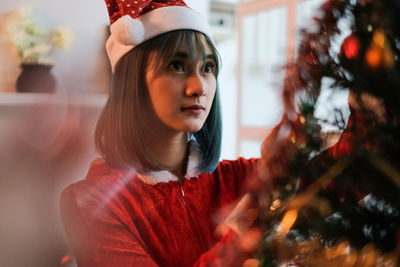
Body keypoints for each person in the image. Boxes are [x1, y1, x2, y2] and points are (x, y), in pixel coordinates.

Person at [60, 1, 266, 266]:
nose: (199, 87)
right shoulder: (92, 204)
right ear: (132, 80)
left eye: (208, 67)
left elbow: (326, 172)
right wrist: (241, 238)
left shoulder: (238, 179)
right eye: (177, 66)